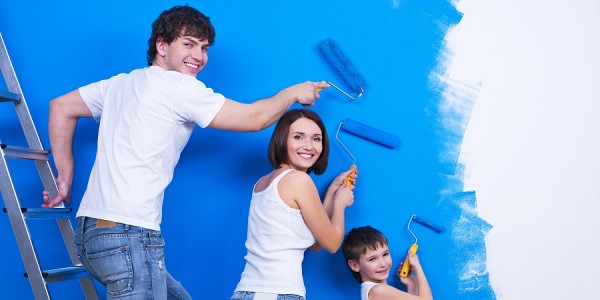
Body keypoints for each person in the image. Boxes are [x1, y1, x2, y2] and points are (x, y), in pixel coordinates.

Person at [41, 5, 329, 299]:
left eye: (204, 48)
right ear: (161, 45)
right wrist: (293, 93)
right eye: (188, 44)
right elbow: (254, 119)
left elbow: (61, 107)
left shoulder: (120, 84)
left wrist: (64, 176)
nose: (199, 56)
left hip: (91, 236)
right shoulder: (180, 88)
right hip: (130, 236)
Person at [231, 109, 357, 300]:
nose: (309, 146)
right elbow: (331, 244)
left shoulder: (263, 183)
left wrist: (332, 193)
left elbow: (315, 243)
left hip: (248, 292)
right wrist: (340, 204)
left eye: (316, 139)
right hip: (278, 292)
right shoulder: (299, 181)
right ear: (282, 140)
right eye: (298, 137)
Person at [342, 226, 433, 300]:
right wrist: (417, 266)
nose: (383, 264)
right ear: (355, 265)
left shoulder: (372, 290)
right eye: (372, 259)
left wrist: (411, 284)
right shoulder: (379, 291)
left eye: (385, 254)